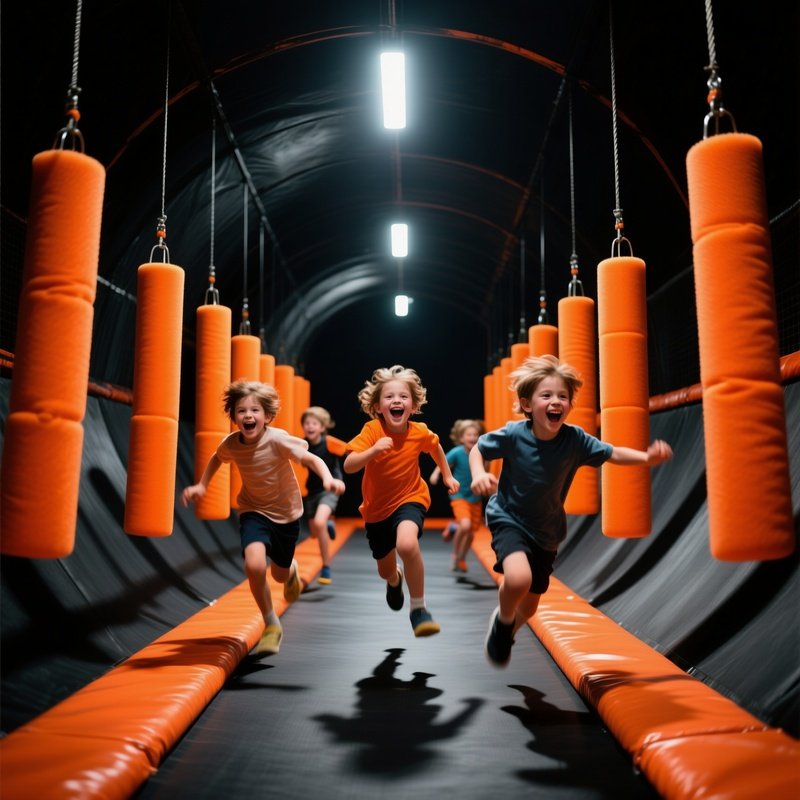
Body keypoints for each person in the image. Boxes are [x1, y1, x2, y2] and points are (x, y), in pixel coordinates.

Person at [469, 355, 673, 667]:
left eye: (562, 396)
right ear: (526, 404)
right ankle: (504, 618)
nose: (556, 402)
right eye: (546, 395)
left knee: (532, 607)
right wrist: (479, 474)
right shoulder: (513, 434)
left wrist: (645, 458)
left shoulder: (575, 440)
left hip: (546, 531)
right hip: (508, 516)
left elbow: (612, 452)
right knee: (519, 577)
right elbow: (479, 449)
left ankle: (507, 626)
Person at [182, 380, 345, 656]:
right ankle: (271, 624)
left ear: (267, 416)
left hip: (286, 514)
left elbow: (312, 460)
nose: (248, 416)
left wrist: (329, 478)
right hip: (253, 510)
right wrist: (202, 485)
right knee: (255, 565)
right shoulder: (232, 443)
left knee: (279, 575)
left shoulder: (278, 439)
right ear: (233, 417)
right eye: (241, 411)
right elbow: (216, 459)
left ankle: (290, 570)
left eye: (254, 410)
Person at [344, 365, 459, 637]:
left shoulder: (419, 431)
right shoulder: (372, 430)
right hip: (376, 511)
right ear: (377, 406)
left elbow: (436, 448)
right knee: (385, 570)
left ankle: (419, 608)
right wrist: (372, 451)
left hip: (411, 498)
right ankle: (395, 580)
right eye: (389, 397)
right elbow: (349, 465)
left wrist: (447, 475)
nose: (397, 401)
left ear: (414, 404)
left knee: (407, 544)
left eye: (403, 397)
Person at [429, 419, 485, 573]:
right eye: (469, 435)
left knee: (471, 534)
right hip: (459, 495)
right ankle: (455, 555)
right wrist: (435, 474)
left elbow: (484, 471)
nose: (473, 438)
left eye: (475, 435)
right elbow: (443, 462)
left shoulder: (481, 452)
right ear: (461, 438)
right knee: (466, 526)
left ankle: (461, 555)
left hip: (475, 498)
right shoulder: (457, 452)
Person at [301, 405, 348, 585]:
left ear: (322, 427)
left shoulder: (329, 442)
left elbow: (350, 449)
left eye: (314, 423)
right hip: (312, 492)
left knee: (318, 523)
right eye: (307, 423)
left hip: (330, 487)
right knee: (315, 532)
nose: (310, 427)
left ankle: (326, 566)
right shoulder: (302, 445)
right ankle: (328, 522)